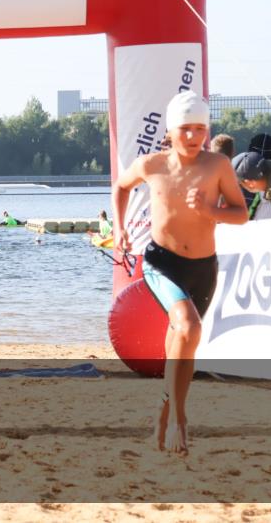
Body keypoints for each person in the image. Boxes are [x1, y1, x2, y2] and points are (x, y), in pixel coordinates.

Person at [113, 91, 247, 455]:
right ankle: (180, 419)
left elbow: (241, 212)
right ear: (171, 131)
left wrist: (210, 211)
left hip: (203, 267)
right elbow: (121, 187)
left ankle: (164, 411)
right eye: (185, 129)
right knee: (189, 327)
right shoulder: (151, 164)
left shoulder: (218, 165)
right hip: (161, 262)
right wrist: (121, 228)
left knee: (182, 344)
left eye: (200, 129)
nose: (193, 136)